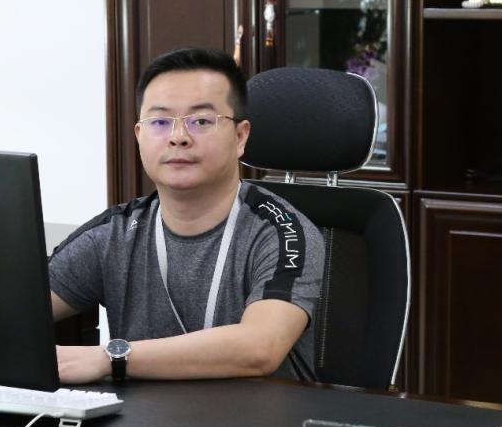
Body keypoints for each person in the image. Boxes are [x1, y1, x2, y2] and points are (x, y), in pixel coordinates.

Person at [49, 47, 324, 384]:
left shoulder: (282, 232)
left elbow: (260, 348)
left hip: (254, 416)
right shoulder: (114, 234)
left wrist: (111, 357)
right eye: (160, 122)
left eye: (201, 121)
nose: (178, 137)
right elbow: (12, 310)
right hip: (138, 418)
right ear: (139, 136)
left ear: (240, 137)